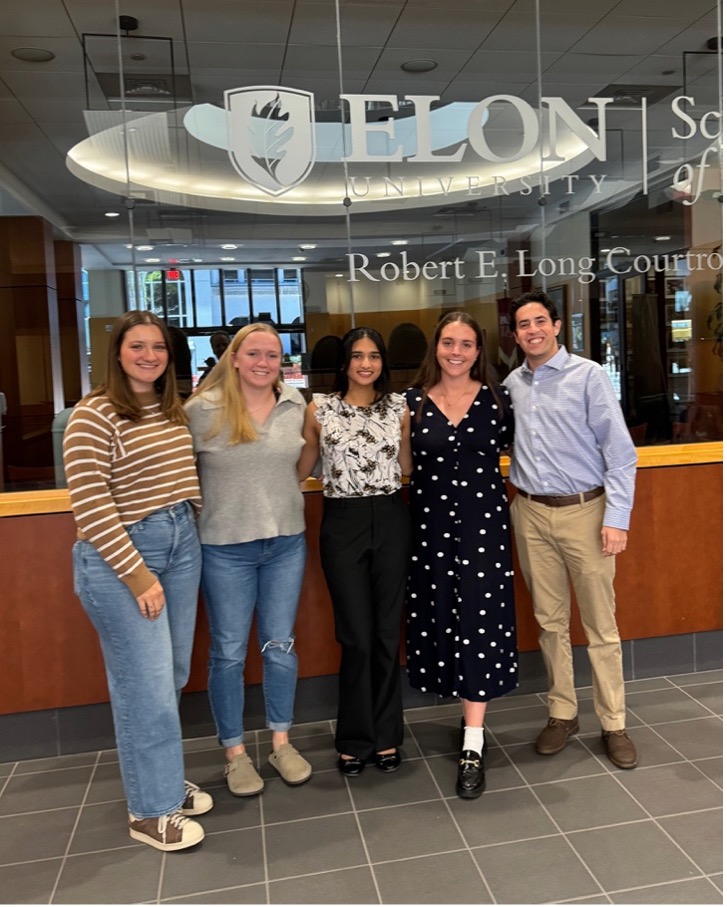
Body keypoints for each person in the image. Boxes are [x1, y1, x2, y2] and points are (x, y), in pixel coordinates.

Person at [63, 310, 212, 852]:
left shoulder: (169, 408)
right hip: (123, 559)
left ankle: (163, 781)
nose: (150, 356)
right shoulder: (93, 414)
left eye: (159, 348)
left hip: (179, 543)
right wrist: (136, 575)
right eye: (138, 347)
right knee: (143, 688)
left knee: (169, 675)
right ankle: (151, 811)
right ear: (117, 352)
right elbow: (90, 502)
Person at [504, 290, 638, 770]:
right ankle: (562, 713)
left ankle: (614, 722)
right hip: (531, 513)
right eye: (523, 324)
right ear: (515, 334)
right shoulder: (512, 383)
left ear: (557, 326)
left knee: (601, 625)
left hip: (586, 512)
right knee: (550, 622)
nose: (532, 331)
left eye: (540, 321)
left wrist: (617, 520)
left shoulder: (589, 376)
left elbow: (620, 454)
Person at [185, 322, 312, 796]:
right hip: (225, 548)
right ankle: (234, 752)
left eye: (273, 356)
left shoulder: (294, 404)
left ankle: (281, 741)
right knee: (229, 653)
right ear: (234, 357)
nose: (263, 363)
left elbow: (303, 465)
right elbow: (185, 477)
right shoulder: (201, 410)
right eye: (254, 354)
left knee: (280, 647)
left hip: (285, 543)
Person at [405, 312, 518, 799]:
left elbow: (527, 453)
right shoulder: (410, 403)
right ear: (436, 347)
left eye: (466, 344)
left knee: (480, 623)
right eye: (448, 342)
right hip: (429, 531)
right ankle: (448, 700)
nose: (456, 351)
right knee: (439, 618)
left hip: (484, 530)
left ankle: (474, 740)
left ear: (479, 350)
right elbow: (403, 464)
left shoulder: (499, 400)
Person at [298, 327, 413, 776]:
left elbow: (406, 466)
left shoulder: (399, 408)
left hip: (390, 518)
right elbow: (304, 467)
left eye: (374, 356)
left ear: (383, 362)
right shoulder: (319, 409)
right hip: (341, 521)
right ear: (343, 361)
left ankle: (386, 736)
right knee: (356, 636)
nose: (366, 364)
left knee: (387, 633)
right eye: (357, 356)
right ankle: (352, 738)